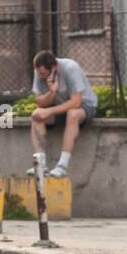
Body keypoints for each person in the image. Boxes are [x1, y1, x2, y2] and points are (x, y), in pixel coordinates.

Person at [28, 50, 96, 178]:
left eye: (42, 73)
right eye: (37, 72)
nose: (39, 76)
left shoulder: (70, 68)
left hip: (84, 105)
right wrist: (51, 92)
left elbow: (76, 102)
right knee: (36, 115)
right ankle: (41, 163)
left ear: (54, 68)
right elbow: (40, 102)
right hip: (60, 107)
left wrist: (50, 111)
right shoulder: (39, 71)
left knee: (72, 114)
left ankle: (62, 166)